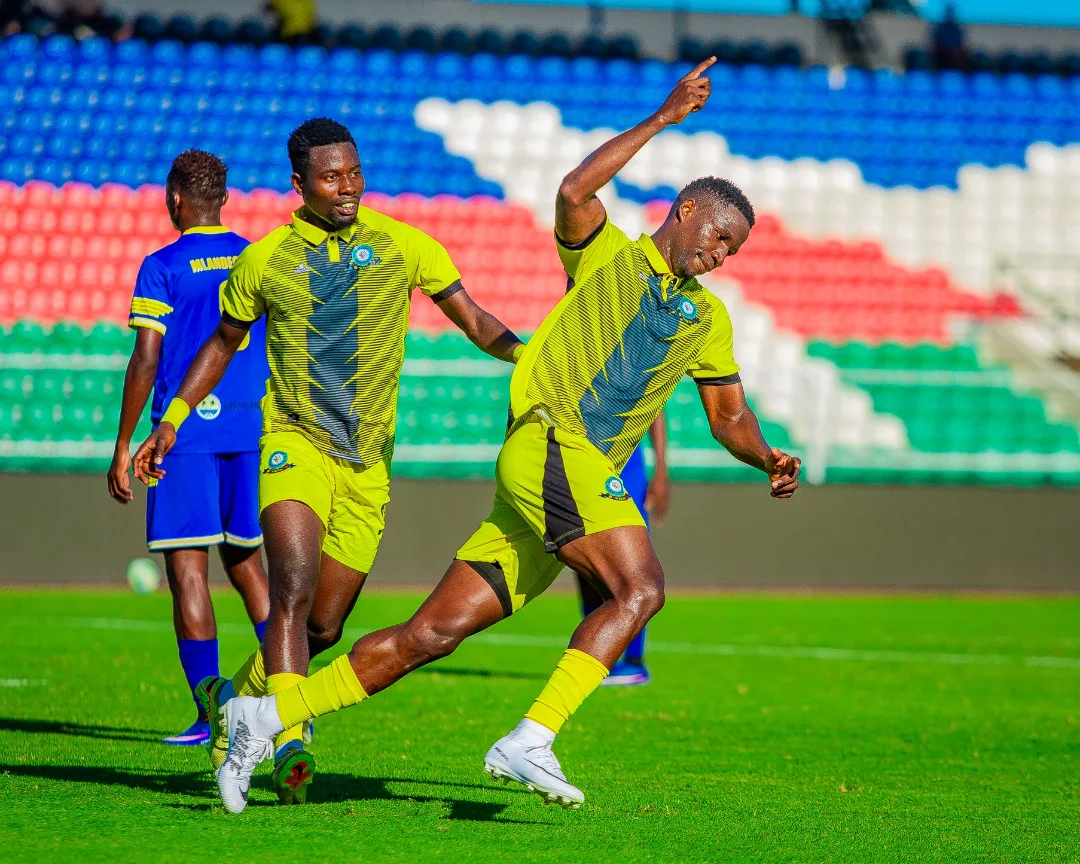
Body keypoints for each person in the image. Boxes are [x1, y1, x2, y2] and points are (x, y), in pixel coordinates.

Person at [209, 58, 801, 815]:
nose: (718, 255)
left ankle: (263, 715)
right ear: (684, 211)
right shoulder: (607, 255)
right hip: (554, 446)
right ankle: (532, 738)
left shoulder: (709, 320)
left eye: (731, 251)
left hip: (559, 484)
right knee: (641, 588)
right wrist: (663, 118)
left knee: (430, 636)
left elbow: (729, 418)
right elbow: (574, 191)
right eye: (717, 236)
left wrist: (766, 456)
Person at [131, 118, 524, 805]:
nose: (347, 187)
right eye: (331, 176)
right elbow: (222, 343)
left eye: (354, 173)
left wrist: (531, 359)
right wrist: (170, 421)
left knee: (324, 625)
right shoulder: (264, 260)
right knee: (290, 588)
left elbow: (474, 319)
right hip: (294, 445)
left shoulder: (405, 245)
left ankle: (238, 706)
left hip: (367, 464)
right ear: (300, 184)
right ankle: (289, 742)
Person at [107, 150, 270, 747]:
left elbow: (147, 357)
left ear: (175, 199)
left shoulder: (161, 266)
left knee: (188, 570)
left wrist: (124, 443)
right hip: (251, 431)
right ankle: (285, 697)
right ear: (223, 199)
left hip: (183, 435)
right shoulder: (257, 258)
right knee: (248, 565)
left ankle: (210, 716)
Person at [575, 416, 669, 687]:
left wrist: (661, 470)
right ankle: (602, 659)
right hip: (581, 458)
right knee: (583, 555)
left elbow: (656, 410)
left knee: (630, 559)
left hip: (625, 462)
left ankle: (634, 661)